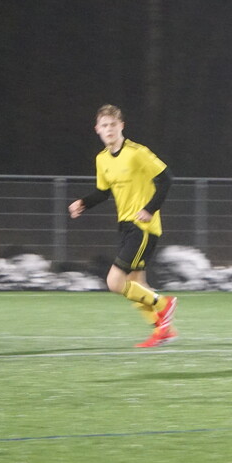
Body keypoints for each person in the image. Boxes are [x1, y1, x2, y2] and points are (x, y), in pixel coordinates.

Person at [69, 104, 178, 348]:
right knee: (138, 286)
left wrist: (150, 209)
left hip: (143, 226)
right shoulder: (102, 159)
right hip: (126, 226)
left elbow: (167, 178)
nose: (109, 129)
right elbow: (103, 192)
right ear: (97, 129)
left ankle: (164, 304)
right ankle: (163, 330)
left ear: (121, 126)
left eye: (113, 125)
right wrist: (83, 203)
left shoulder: (137, 152)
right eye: (104, 125)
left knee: (115, 282)